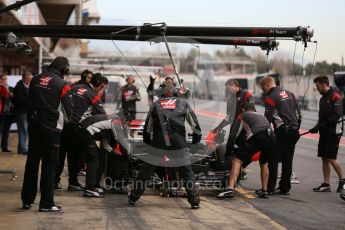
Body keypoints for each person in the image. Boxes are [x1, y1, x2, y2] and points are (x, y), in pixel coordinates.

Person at [128, 84, 201, 209]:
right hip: (179, 142)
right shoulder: (183, 103)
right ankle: (194, 201)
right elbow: (195, 126)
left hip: (159, 142)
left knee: (147, 170)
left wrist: (149, 145)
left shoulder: (155, 104)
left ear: (162, 93)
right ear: (174, 93)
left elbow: (147, 129)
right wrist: (194, 143)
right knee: (187, 172)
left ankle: (133, 197)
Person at [21, 56, 73, 212]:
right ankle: (46, 203)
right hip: (52, 130)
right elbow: (69, 110)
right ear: (64, 69)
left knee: (32, 164)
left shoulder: (35, 79)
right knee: (49, 166)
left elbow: (29, 101)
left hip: (34, 127)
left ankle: (27, 200)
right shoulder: (62, 84)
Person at [217, 102, 275, 199]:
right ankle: (264, 191)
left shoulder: (242, 115)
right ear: (254, 109)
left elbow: (232, 135)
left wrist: (228, 152)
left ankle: (230, 189)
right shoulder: (261, 115)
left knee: (237, 160)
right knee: (264, 163)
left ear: (243, 109)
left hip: (258, 135)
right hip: (272, 138)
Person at [259, 76, 301, 195]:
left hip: (283, 131)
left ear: (267, 85)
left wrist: (265, 135)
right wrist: (296, 128)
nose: (263, 92)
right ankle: (284, 188)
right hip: (294, 131)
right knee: (288, 159)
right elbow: (299, 114)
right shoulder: (290, 93)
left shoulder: (270, 97)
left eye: (263, 89)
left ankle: (269, 188)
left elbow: (267, 119)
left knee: (273, 158)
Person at [68, 72, 106, 197]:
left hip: (65, 125)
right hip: (79, 128)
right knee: (92, 156)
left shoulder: (75, 88)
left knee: (73, 156)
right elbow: (101, 115)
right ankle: (91, 187)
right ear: (99, 85)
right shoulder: (93, 95)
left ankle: (72, 182)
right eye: (102, 87)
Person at [213, 79, 255, 180]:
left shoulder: (246, 94)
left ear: (234, 86)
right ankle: (236, 171)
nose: (227, 90)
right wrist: (218, 127)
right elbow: (229, 116)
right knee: (234, 150)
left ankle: (240, 169)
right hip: (235, 128)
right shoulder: (230, 97)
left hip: (246, 128)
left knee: (246, 151)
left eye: (228, 88)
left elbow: (252, 111)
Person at [309, 76, 345, 192]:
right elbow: (322, 117)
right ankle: (326, 183)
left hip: (334, 132)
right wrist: (316, 126)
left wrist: (322, 125)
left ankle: (343, 180)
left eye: (318, 86)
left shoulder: (335, 96)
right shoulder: (323, 98)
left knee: (331, 158)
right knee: (324, 158)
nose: (317, 88)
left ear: (324, 85)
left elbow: (337, 115)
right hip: (325, 131)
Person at [13, 71, 33, 154]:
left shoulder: (29, 86)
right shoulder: (19, 87)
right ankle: (23, 149)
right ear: (23, 78)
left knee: (25, 131)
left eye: (31, 79)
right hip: (21, 112)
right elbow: (19, 100)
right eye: (28, 79)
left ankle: (22, 148)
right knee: (23, 130)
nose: (30, 80)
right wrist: (30, 99)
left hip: (27, 112)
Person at [0, 73, 14, 152]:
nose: (4, 80)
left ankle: (4, 147)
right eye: (3, 79)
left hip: (9, 112)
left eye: (6, 78)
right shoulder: (1, 88)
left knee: (6, 130)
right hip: (2, 112)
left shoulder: (11, 88)